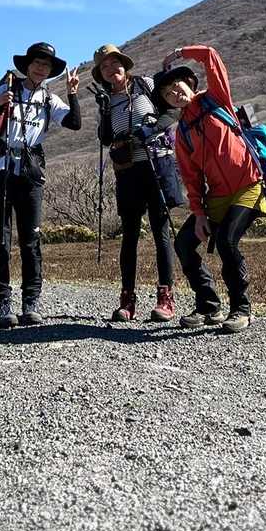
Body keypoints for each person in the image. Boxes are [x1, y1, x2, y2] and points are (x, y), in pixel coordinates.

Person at [158, 44, 266, 334]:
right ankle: (208, 305)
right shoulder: (182, 132)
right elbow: (191, 177)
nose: (174, 93)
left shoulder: (216, 99)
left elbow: (210, 56)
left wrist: (179, 53)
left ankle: (241, 309)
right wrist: (199, 213)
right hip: (217, 195)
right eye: (167, 94)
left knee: (226, 241)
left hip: (249, 184)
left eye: (177, 86)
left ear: (189, 83)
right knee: (183, 244)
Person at [0, 41, 81, 327]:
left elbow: (74, 123)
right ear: (28, 65)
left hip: (30, 174)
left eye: (46, 65)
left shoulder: (49, 99)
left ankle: (30, 302)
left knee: (31, 240)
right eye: (37, 63)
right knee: (0, 240)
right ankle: (3, 303)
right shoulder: (6, 90)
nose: (41, 68)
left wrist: (72, 93)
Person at [90, 44, 180, 324]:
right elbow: (106, 138)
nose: (111, 69)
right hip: (128, 171)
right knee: (129, 236)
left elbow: (171, 112)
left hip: (157, 165)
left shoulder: (146, 85)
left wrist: (150, 128)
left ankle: (165, 298)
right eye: (104, 67)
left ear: (124, 65)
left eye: (114, 63)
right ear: (100, 74)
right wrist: (105, 110)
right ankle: (127, 299)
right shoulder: (107, 99)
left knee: (160, 232)